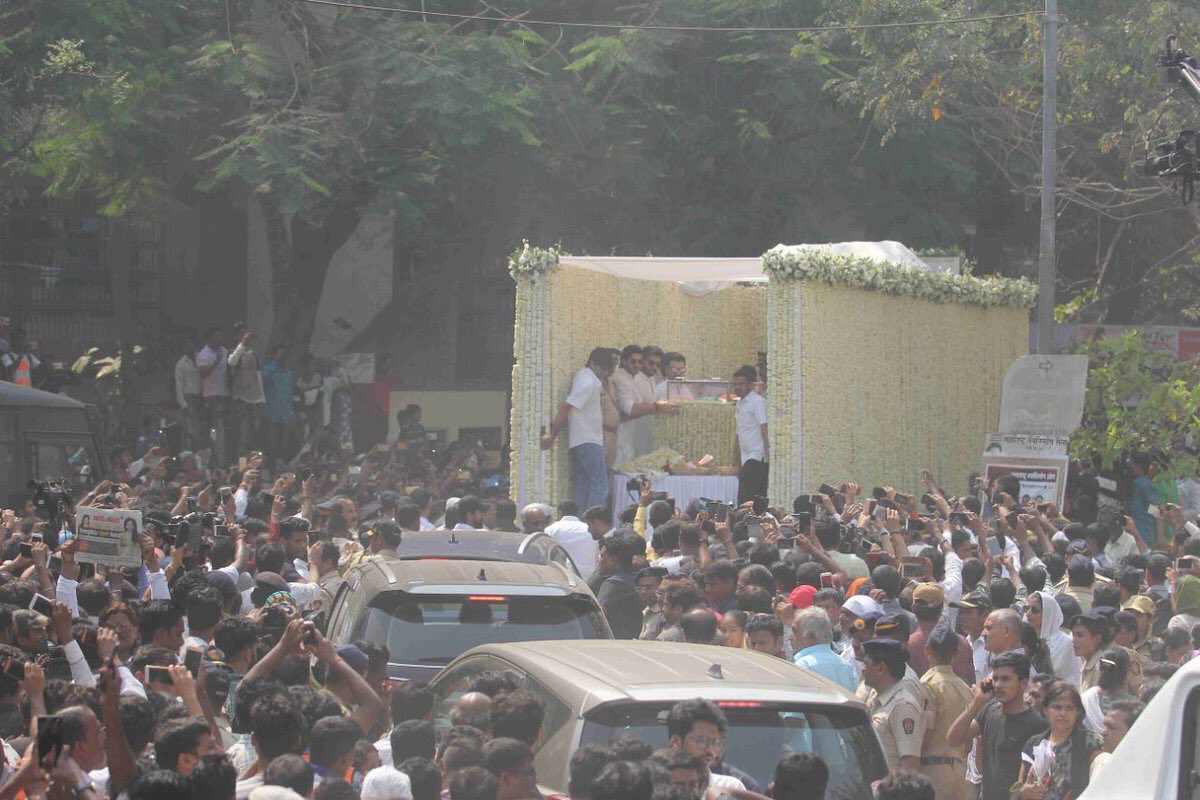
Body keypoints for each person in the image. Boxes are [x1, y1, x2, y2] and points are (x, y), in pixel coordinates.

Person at [946, 653, 1046, 800]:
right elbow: (953, 739)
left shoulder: (1037, 724)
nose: (998, 685)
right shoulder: (989, 712)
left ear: (1023, 683)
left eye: (1006, 679)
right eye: (995, 679)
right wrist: (977, 703)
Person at [541, 348, 616, 512]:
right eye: (602, 369)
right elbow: (566, 407)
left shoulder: (587, 377)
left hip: (585, 439)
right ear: (593, 363)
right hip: (587, 439)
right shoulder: (587, 383)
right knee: (600, 485)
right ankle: (594, 521)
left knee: (584, 484)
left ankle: (583, 520)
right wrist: (552, 436)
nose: (605, 373)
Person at [1015, 681, 1102, 800]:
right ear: (1045, 710)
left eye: (1070, 708)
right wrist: (1022, 794)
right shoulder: (1034, 743)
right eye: (1057, 707)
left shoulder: (1090, 742)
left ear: (1077, 712)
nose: (1063, 713)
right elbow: (1019, 787)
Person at [918, 621, 972, 800]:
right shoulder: (965, 688)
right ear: (956, 654)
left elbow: (924, 736)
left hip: (930, 771)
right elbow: (969, 740)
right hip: (959, 770)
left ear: (927, 649)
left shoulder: (927, 685)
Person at [860, 638, 925, 773]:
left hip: (890, 790)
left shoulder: (902, 706)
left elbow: (910, 764)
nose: (862, 669)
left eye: (866, 663)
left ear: (881, 668)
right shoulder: (878, 701)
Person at [665, 699, 746, 792]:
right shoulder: (654, 788)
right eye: (702, 741)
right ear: (676, 742)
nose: (711, 751)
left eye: (716, 743)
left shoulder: (730, 789)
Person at [593, 531, 646, 639]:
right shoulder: (634, 579)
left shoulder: (613, 584)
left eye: (602, 556)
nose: (599, 559)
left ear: (613, 560)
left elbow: (599, 614)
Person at [791, 607, 857, 692]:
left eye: (795, 631)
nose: (790, 637)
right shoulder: (846, 666)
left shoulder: (803, 666)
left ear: (812, 636)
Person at [1026, 590, 1082, 686]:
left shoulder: (1065, 642)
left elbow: (1074, 676)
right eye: (1026, 608)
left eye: (1035, 610)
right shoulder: (1023, 638)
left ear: (1048, 613)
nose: (1028, 613)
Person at [731, 365, 768, 505]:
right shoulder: (740, 404)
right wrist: (736, 460)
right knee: (744, 500)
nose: (737, 387)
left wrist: (768, 456)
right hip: (745, 458)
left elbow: (764, 428)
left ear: (751, 384)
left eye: (741, 384)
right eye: (735, 384)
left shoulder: (758, 402)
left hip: (756, 458)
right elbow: (739, 433)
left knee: (749, 501)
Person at [227, 324, 265, 457]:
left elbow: (258, 373)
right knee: (243, 430)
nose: (245, 335)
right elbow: (231, 362)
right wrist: (242, 343)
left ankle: (255, 458)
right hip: (242, 397)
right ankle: (241, 459)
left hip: (256, 396)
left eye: (246, 333)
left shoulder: (253, 352)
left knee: (256, 430)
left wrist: (262, 397)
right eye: (242, 333)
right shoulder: (234, 350)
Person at [1089, 698, 1144, 779]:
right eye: (1104, 725)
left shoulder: (1142, 773)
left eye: (1110, 727)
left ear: (1132, 733)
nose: (1103, 732)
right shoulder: (1100, 763)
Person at [544, 501, 596, 579]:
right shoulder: (588, 528)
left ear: (559, 513)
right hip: (589, 576)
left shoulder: (551, 529)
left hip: (563, 576)